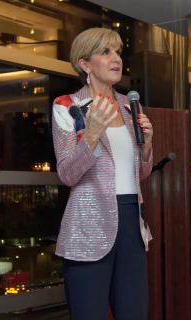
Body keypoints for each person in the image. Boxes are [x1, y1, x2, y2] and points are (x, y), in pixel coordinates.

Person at [51, 27, 153, 320]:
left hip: (132, 224)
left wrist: (148, 148)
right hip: (88, 227)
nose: (116, 58)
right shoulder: (68, 106)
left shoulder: (129, 105)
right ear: (85, 64)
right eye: (106, 52)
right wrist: (92, 133)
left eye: (118, 51)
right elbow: (67, 174)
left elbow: (139, 174)